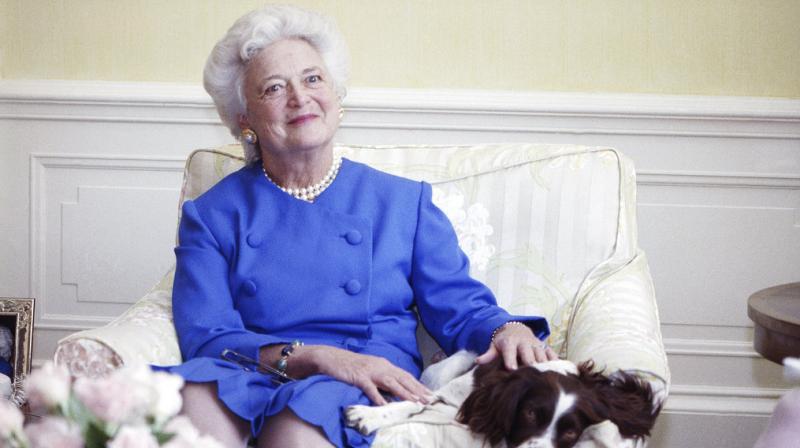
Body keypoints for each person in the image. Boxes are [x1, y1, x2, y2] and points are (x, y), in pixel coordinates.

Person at [157, 5, 556, 448]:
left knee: (295, 428)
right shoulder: (212, 214)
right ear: (245, 119)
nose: (299, 97)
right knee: (193, 400)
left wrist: (506, 330)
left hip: (364, 373)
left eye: (313, 79)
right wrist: (316, 357)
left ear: (336, 95)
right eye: (274, 87)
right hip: (254, 368)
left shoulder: (405, 202)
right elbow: (206, 335)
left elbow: (457, 304)